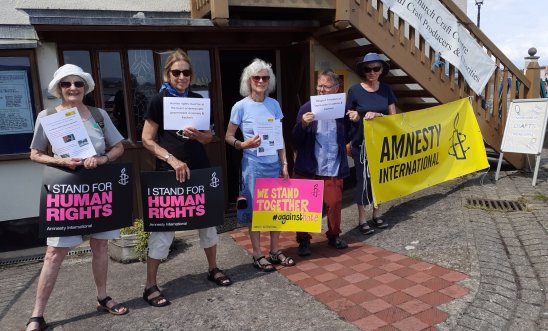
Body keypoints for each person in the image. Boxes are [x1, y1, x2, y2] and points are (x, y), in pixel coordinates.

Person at [26, 64, 127, 331]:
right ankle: (37, 314)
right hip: (65, 190)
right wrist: (59, 161)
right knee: (54, 253)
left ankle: (103, 296)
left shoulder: (98, 114)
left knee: (101, 247)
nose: (73, 88)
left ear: (85, 87)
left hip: (98, 187)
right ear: (58, 88)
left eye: (78, 84)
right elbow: (35, 153)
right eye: (66, 84)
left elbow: (118, 147)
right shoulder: (47, 116)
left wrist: (103, 157)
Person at [141, 49, 232, 308]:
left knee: (208, 224)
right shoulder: (158, 101)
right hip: (170, 172)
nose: (181, 76)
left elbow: (209, 137)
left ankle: (213, 269)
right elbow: (146, 140)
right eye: (176, 72)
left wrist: (196, 136)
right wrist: (172, 159)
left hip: (199, 168)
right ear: (167, 75)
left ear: (191, 75)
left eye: (186, 72)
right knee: (163, 231)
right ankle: (150, 286)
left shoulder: (197, 99)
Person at [225, 58, 296, 272]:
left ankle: (274, 250)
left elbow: (279, 137)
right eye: (257, 77)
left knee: (274, 209)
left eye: (265, 77)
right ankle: (257, 253)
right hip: (253, 165)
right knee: (256, 210)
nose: (261, 81)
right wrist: (243, 144)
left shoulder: (273, 104)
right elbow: (228, 136)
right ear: (249, 80)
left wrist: (284, 163)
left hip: (273, 164)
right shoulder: (240, 106)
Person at [292, 69, 351, 256]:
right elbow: (295, 139)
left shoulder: (342, 110)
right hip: (308, 167)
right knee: (303, 205)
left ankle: (333, 235)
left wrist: (356, 121)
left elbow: (350, 134)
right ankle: (303, 240)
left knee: (334, 203)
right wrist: (302, 125)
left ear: (336, 89)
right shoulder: (306, 108)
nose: (321, 90)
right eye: (319, 86)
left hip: (332, 165)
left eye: (326, 86)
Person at [346, 53, 396, 235]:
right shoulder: (354, 91)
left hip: (382, 145)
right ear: (363, 71)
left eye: (376, 68)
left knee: (378, 179)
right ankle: (362, 219)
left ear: (382, 70)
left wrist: (378, 115)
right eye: (367, 69)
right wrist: (354, 117)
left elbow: (393, 119)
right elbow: (348, 114)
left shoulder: (387, 90)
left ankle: (376, 214)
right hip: (361, 143)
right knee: (362, 180)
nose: (372, 72)